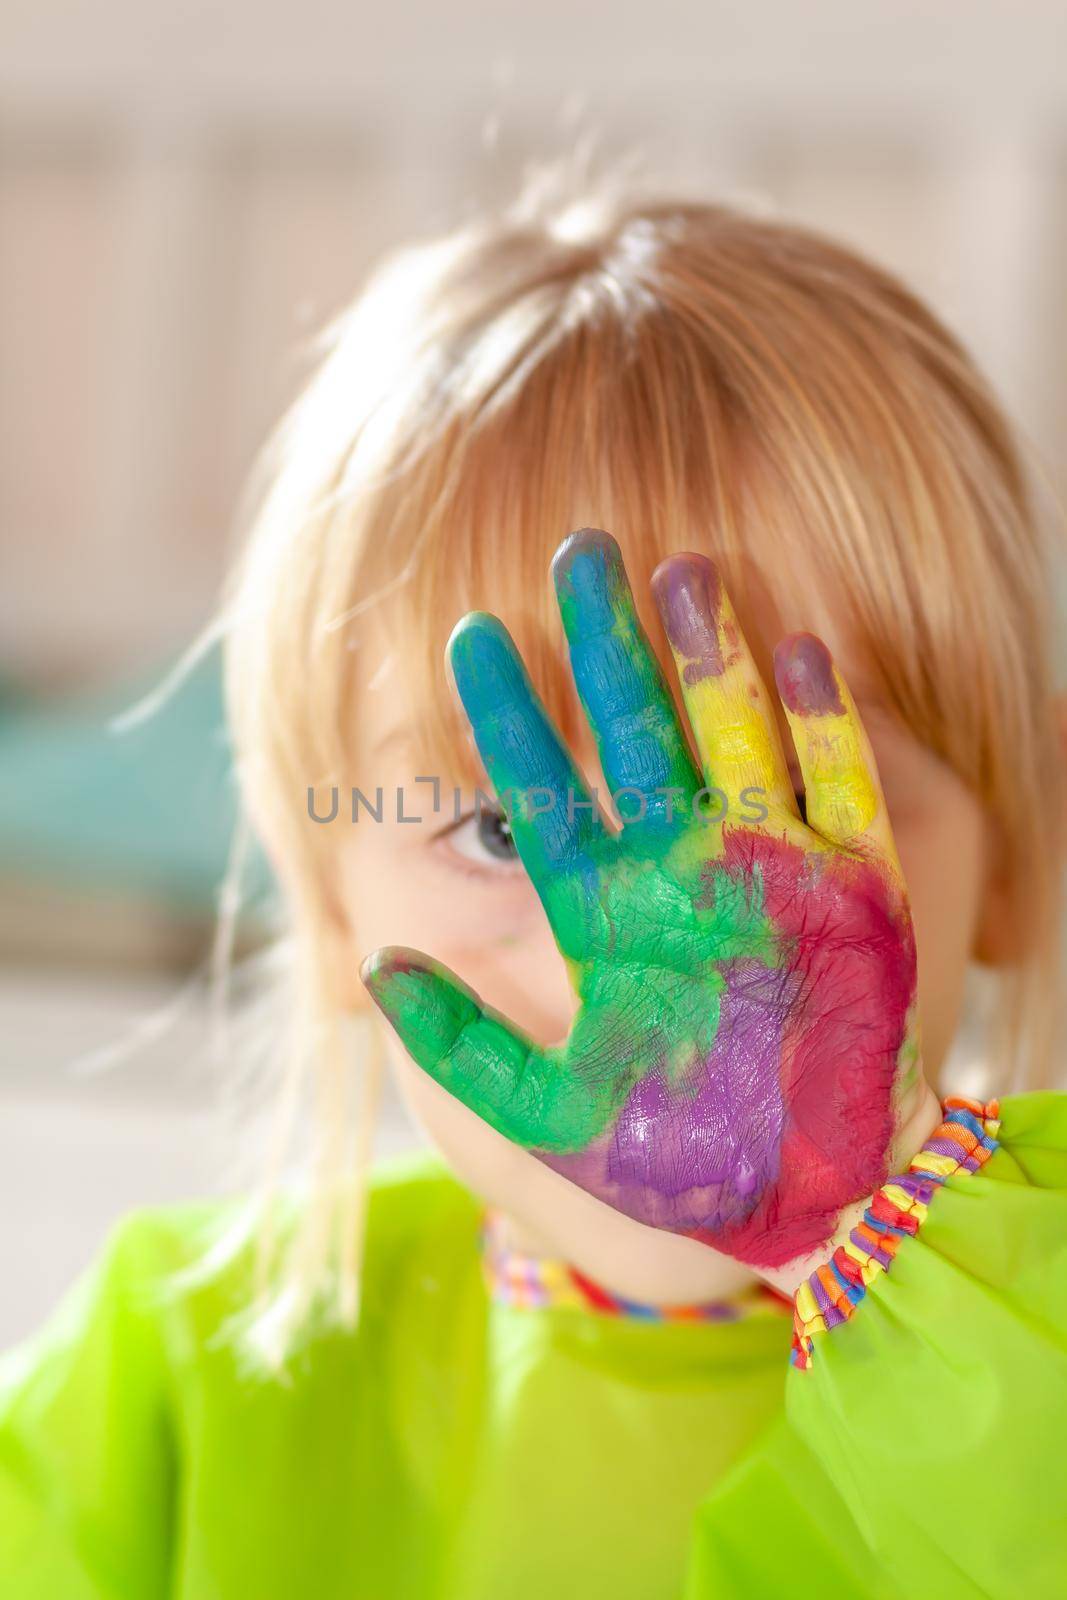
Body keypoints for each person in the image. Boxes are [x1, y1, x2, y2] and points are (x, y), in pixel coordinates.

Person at [2, 168, 1066, 1599]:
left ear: (1024, 843)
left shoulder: (1034, 1367)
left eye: (795, 814)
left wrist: (855, 1242)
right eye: (510, 838)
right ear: (323, 908)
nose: (634, 979)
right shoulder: (163, 1393)